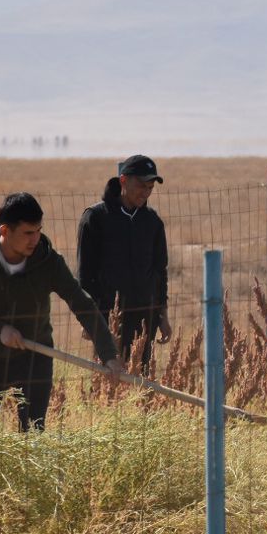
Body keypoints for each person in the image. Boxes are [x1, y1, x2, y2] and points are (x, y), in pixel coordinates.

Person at [0, 192, 124, 430]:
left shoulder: (48, 261)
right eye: (28, 233)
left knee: (32, 434)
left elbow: (81, 303)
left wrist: (109, 354)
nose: (36, 239)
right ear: (4, 231)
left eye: (38, 230)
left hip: (35, 357)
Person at [77, 155, 171, 372]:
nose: (145, 193)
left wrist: (163, 317)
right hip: (109, 318)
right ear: (123, 181)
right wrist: (89, 321)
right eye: (140, 185)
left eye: (150, 187)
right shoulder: (95, 218)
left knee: (142, 383)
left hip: (145, 318)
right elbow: (85, 276)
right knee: (107, 384)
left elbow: (160, 272)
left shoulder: (153, 222)